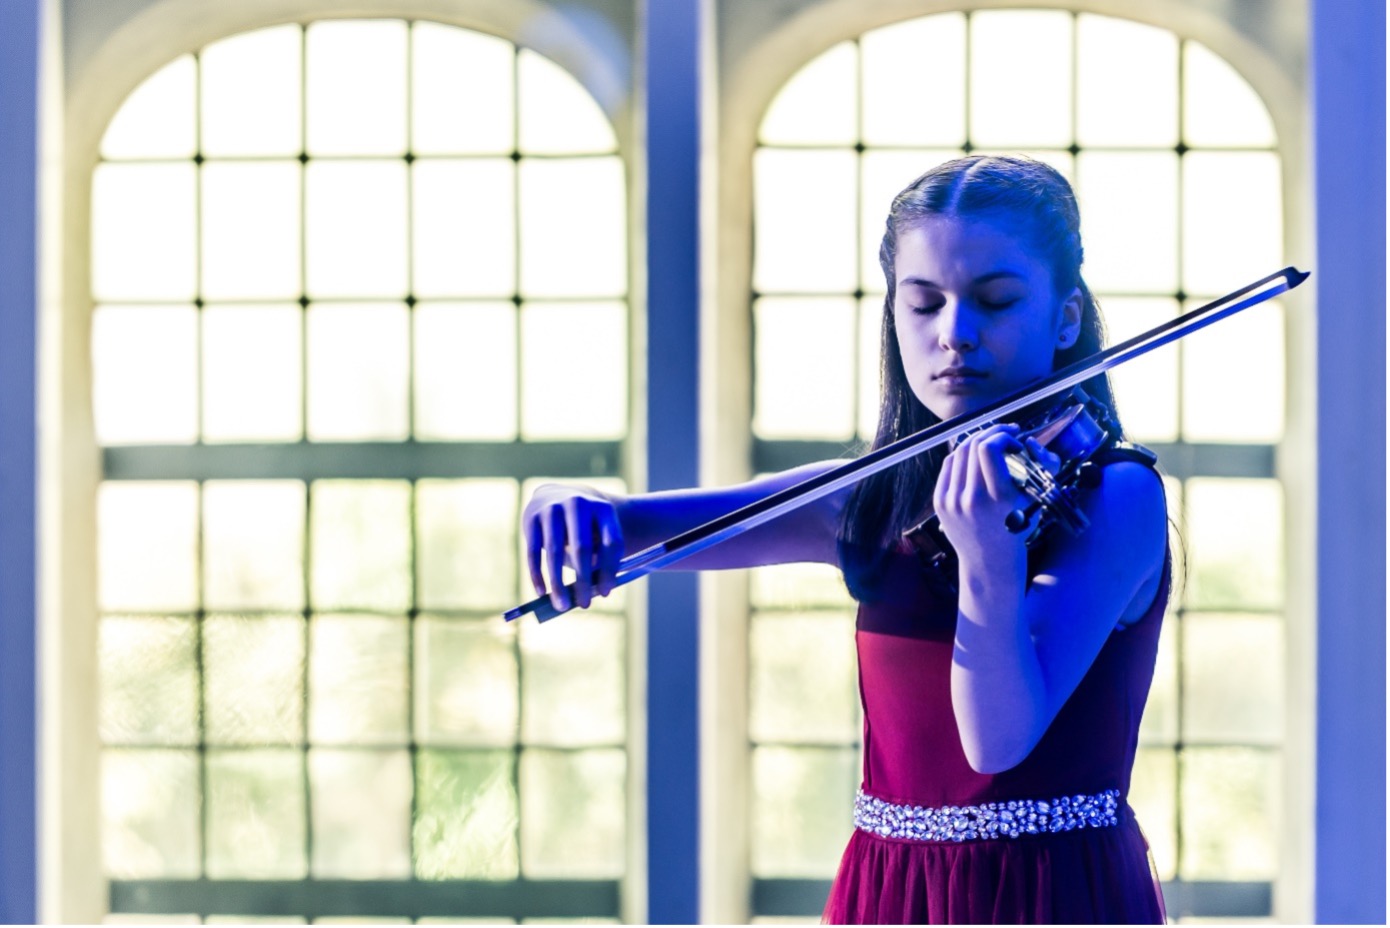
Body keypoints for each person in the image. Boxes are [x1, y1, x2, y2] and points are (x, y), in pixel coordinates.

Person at [521, 155, 1170, 924]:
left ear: (1066, 318)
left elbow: (996, 740)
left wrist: (988, 559)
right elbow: (643, 527)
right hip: (891, 890)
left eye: (995, 301)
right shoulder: (881, 491)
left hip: (1049, 893)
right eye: (923, 303)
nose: (955, 334)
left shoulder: (1116, 496)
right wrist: (573, 501)